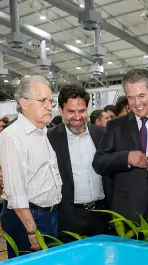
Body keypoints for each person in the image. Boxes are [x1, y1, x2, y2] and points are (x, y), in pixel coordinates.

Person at [0, 75, 62, 257]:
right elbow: (15, 191)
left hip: (48, 214)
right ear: (24, 103)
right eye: (42, 101)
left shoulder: (42, 132)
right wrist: (31, 229)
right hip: (28, 218)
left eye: (51, 101)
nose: (49, 106)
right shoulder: (13, 137)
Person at [93, 69, 148, 223]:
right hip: (128, 214)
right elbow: (99, 163)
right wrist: (126, 158)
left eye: (141, 96)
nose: (137, 103)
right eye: (131, 97)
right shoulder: (115, 126)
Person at [47, 84, 109, 240]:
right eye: (71, 111)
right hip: (68, 217)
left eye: (81, 111)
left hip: (102, 214)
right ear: (60, 110)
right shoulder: (50, 139)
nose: (77, 117)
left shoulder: (102, 134)